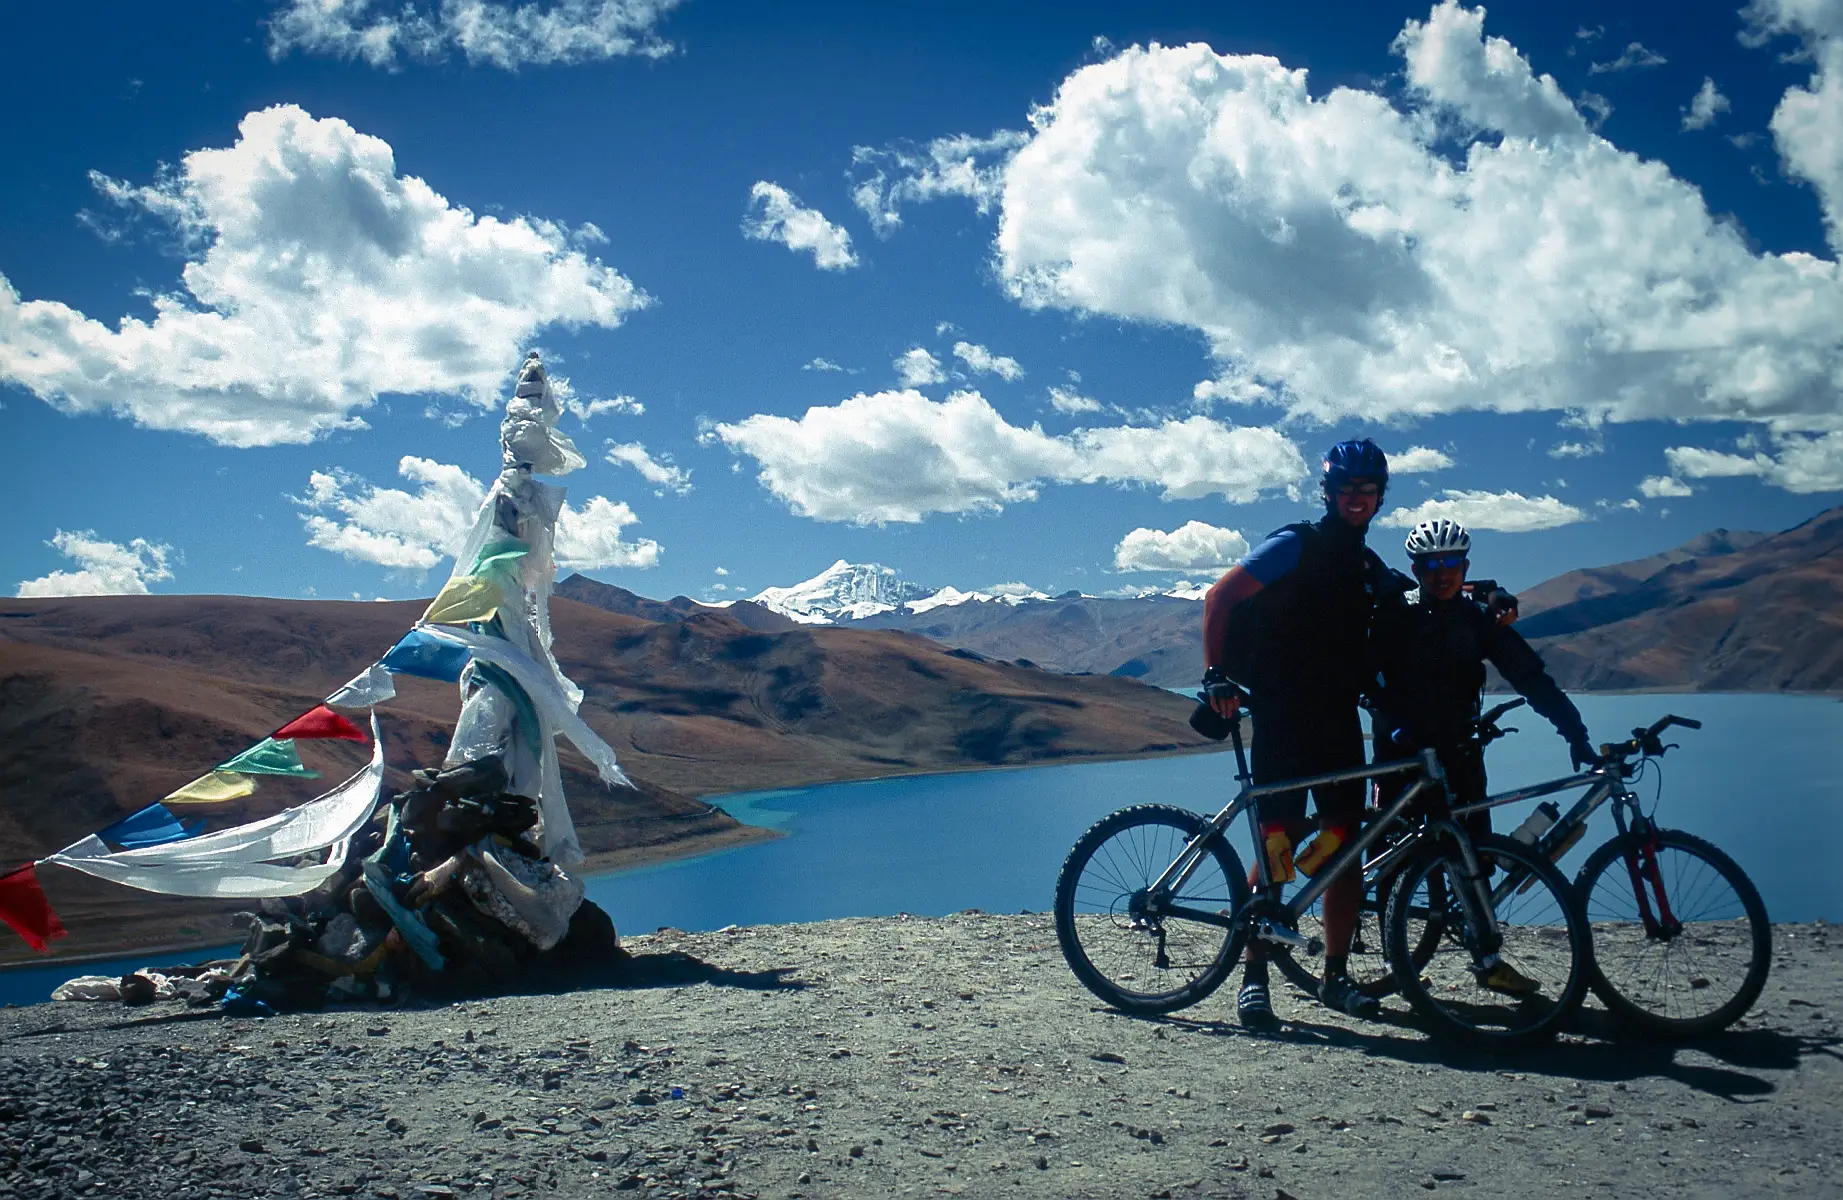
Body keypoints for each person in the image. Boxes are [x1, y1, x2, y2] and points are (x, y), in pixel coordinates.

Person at [1202, 438, 1397, 1029]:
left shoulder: (1370, 569)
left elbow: (1414, 603)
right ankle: (1254, 976)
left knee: (1346, 846)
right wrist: (1215, 675)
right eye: (1347, 489)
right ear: (1328, 491)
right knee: (1277, 845)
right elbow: (1220, 596)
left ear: (1380, 496)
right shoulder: (1295, 544)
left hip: (1339, 722)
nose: (1357, 499)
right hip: (1284, 717)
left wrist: (1479, 595)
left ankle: (1335, 977)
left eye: (1368, 490)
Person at [1368, 517, 1597, 995]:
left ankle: (1488, 961)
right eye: (1430, 563)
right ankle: (1398, 966)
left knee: (1476, 854)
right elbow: (1366, 680)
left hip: (1460, 753)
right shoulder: (1394, 614)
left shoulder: (1477, 619)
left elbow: (1529, 675)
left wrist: (1573, 730)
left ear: (1465, 565)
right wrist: (1394, 725)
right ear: (1415, 568)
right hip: (1402, 756)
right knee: (1394, 858)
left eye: (1451, 561)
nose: (1441, 572)